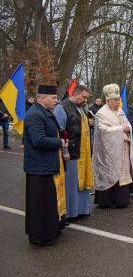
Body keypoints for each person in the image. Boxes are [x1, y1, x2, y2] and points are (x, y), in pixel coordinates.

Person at [24, 85, 68, 246]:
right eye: (54, 98)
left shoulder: (45, 111)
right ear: (41, 98)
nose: (56, 101)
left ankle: (49, 231)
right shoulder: (35, 115)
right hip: (38, 166)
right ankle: (38, 236)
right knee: (39, 204)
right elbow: (39, 140)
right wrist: (60, 142)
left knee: (48, 202)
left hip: (47, 164)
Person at [53, 84, 93, 222]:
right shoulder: (62, 107)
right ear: (75, 94)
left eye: (87, 98)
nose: (86, 100)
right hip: (70, 154)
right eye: (84, 97)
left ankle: (81, 210)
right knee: (70, 185)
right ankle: (69, 213)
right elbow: (59, 131)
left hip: (83, 153)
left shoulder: (81, 109)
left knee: (80, 183)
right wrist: (64, 151)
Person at [92, 84, 133, 209]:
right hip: (108, 152)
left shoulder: (120, 111)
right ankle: (107, 200)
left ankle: (121, 199)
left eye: (119, 100)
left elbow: (128, 125)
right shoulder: (101, 113)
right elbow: (103, 131)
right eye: (116, 100)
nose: (118, 102)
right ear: (108, 101)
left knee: (123, 174)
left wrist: (127, 129)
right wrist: (122, 129)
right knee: (110, 173)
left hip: (122, 148)